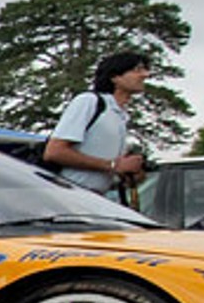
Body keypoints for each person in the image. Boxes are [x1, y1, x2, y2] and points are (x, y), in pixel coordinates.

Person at [43, 51, 151, 196]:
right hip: (69, 196)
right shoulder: (89, 101)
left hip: (94, 200)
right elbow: (54, 152)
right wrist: (113, 165)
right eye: (137, 70)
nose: (145, 75)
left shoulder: (120, 116)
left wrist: (129, 174)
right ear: (115, 77)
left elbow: (108, 172)